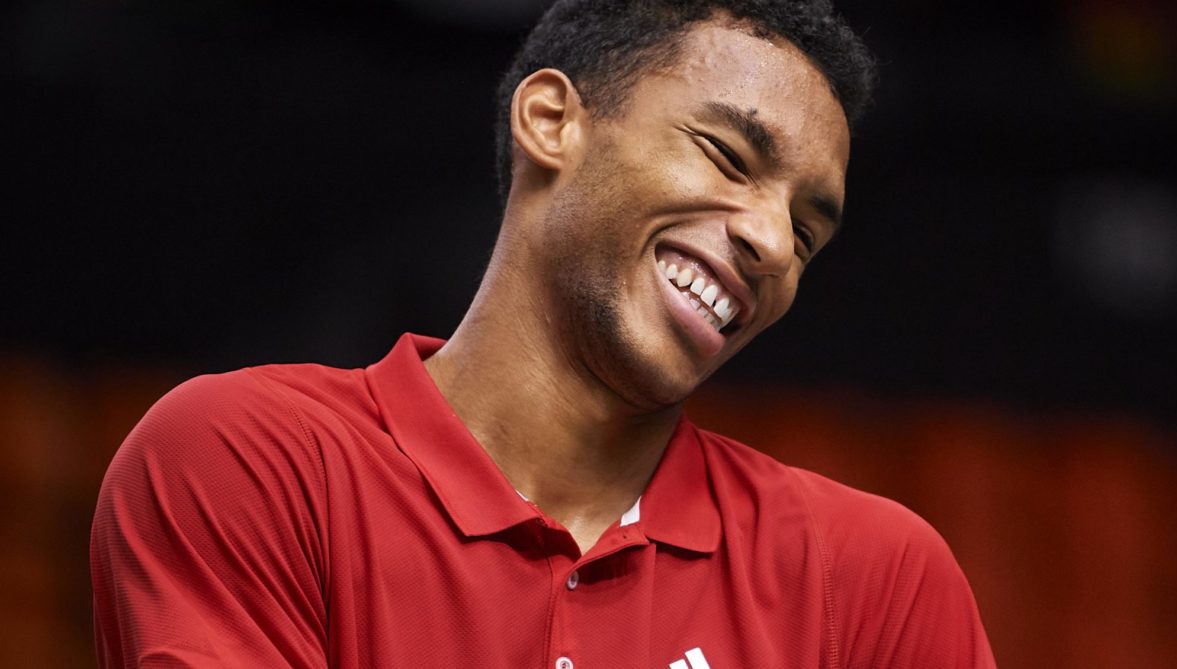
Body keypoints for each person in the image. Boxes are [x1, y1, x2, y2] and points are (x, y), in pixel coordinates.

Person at [91, 1, 996, 667]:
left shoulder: (875, 580)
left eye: (806, 231)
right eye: (727, 155)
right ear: (551, 121)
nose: (769, 242)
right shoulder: (252, 458)